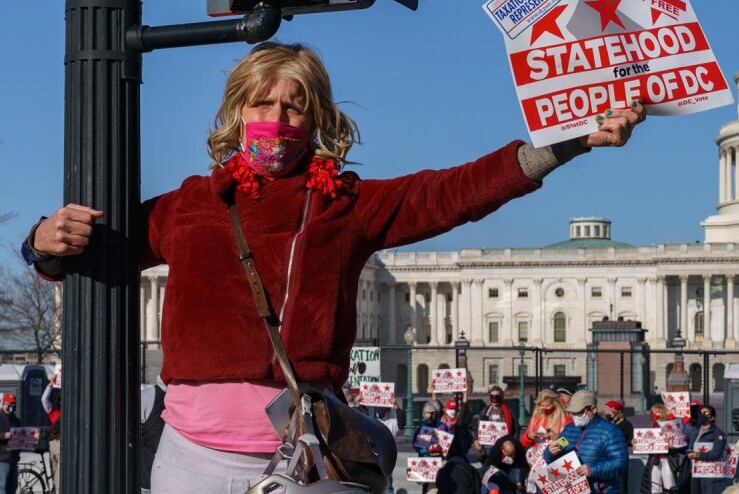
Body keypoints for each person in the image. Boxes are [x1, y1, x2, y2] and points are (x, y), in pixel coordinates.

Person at [20, 43, 646, 493]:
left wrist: (572, 140)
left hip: (304, 460)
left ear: (316, 120)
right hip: (193, 462)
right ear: (237, 114)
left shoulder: (344, 205)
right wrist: (43, 239)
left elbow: (457, 191)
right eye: (261, 104)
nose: (277, 120)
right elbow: (91, 252)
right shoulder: (190, 205)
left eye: (293, 108)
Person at [546, 391, 628, 494]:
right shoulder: (569, 429)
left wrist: (592, 470)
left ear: (593, 409)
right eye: (572, 413)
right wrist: (550, 452)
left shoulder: (610, 431)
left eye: (578, 412)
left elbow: (621, 463)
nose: (574, 416)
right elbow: (550, 459)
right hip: (571, 489)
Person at [641, 403, 690, 494]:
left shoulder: (670, 426)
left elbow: (680, 443)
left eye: (657, 412)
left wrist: (672, 446)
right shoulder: (652, 429)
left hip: (668, 459)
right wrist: (637, 442)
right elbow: (645, 443)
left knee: (670, 486)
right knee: (654, 486)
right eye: (653, 412)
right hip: (655, 459)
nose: (655, 415)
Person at [687, 404, 730, 494]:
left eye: (706, 413)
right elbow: (690, 447)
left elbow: (716, 453)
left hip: (710, 474)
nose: (702, 415)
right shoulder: (694, 431)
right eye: (701, 413)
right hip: (695, 471)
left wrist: (698, 455)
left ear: (712, 418)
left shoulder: (717, 433)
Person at [0, 394, 18, 494]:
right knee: (2, 488)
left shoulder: (15, 419)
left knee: (12, 487)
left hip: (13, 458)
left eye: (14, 404)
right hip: (2, 458)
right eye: (10, 404)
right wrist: (4, 436)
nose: (12, 406)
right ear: (3, 404)